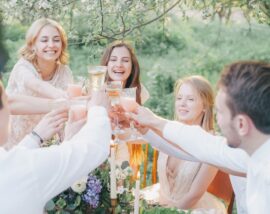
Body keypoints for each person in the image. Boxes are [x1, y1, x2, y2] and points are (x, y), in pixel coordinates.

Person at [131, 61, 270, 214]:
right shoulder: (243, 154)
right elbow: (194, 147)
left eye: (221, 113)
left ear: (242, 124)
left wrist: (153, 121)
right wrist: (147, 128)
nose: (218, 120)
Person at [0, 79, 111, 213]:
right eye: (7, 101)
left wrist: (35, 137)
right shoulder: (27, 169)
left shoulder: (14, 166)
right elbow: (94, 148)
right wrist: (98, 109)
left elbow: (14, 163)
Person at [141, 76, 227, 213]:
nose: (182, 103)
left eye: (190, 99)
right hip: (161, 199)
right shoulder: (169, 131)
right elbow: (146, 134)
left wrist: (169, 212)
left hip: (190, 208)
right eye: (179, 98)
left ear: (205, 106)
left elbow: (193, 196)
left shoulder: (211, 143)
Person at [5, 18, 74, 148]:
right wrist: (64, 98)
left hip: (43, 144)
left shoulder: (65, 72)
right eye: (44, 40)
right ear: (32, 45)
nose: (51, 45)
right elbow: (36, 85)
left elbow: (65, 115)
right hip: (12, 143)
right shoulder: (23, 67)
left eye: (56, 40)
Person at [100, 40, 149, 171]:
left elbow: (138, 132)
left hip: (123, 156)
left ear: (132, 66)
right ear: (106, 64)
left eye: (125, 60)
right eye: (113, 59)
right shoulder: (96, 89)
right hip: (99, 155)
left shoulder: (138, 91)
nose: (119, 65)